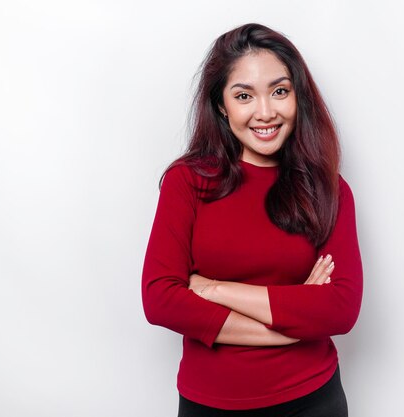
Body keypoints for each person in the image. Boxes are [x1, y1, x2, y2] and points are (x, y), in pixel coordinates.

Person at [142, 23, 363, 417]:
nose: (266, 112)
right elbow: (160, 299)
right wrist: (289, 328)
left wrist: (213, 289)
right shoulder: (187, 182)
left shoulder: (328, 189)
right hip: (209, 404)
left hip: (311, 400)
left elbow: (340, 309)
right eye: (244, 95)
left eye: (280, 91)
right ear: (222, 105)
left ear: (299, 97)